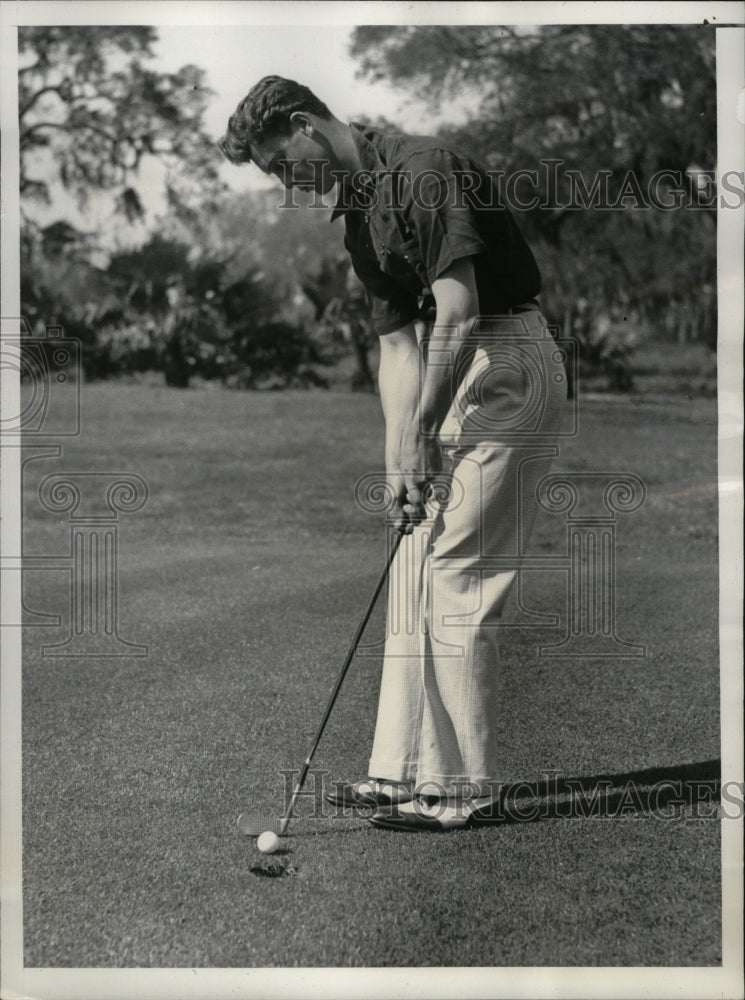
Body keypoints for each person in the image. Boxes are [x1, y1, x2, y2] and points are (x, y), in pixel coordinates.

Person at [218, 76, 567, 831]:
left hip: (507, 360)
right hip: (453, 363)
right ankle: (399, 771)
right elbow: (395, 344)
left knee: (456, 572)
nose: (286, 184)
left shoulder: (421, 170)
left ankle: (457, 790)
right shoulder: (356, 209)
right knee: (412, 558)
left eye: (282, 165)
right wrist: (396, 463)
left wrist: (420, 436)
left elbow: (460, 311)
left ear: (306, 125)